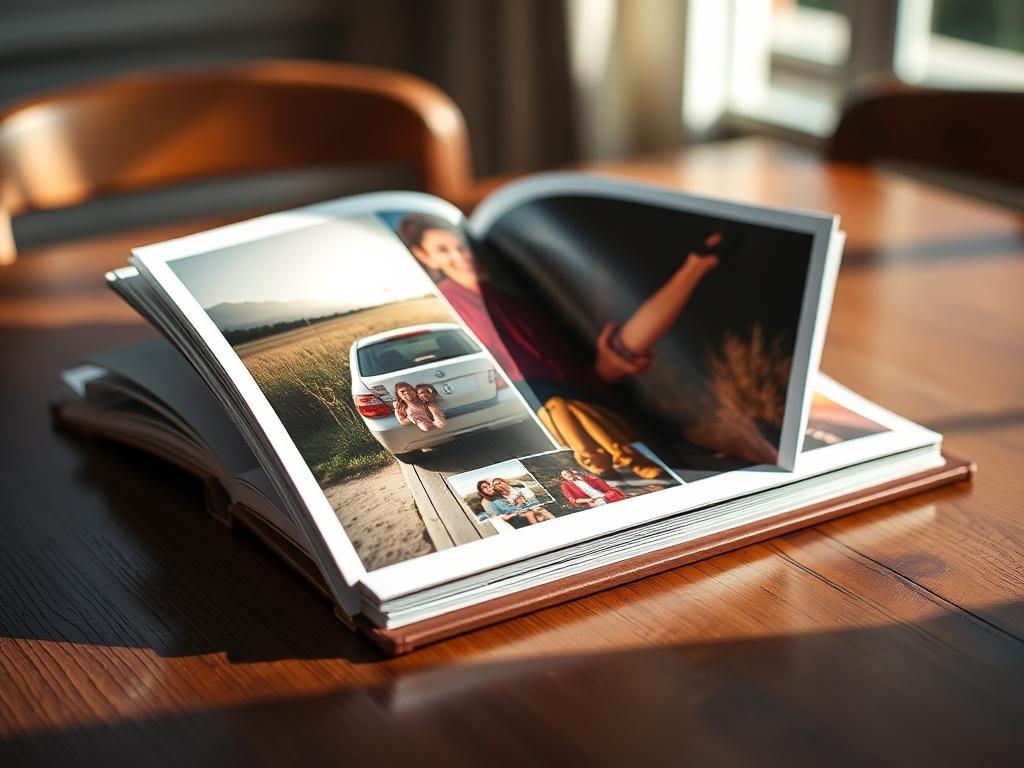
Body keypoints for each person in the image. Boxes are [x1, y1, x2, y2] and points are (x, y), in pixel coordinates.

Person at [395, 213, 719, 478]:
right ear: (424, 256)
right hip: (562, 413)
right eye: (443, 250)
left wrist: (604, 368)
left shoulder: (507, 299)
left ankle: (698, 264)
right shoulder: (450, 304)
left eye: (462, 245)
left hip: (589, 396)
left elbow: (561, 365)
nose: (461, 256)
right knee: (637, 477)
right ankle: (697, 265)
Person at [558, 468, 628, 508]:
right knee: (603, 502)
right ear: (563, 477)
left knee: (619, 499)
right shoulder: (565, 485)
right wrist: (588, 500)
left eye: (568, 473)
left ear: (571, 472)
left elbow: (602, 484)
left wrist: (582, 478)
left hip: (604, 495)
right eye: (565, 475)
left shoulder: (585, 478)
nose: (567, 475)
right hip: (594, 500)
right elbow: (573, 500)